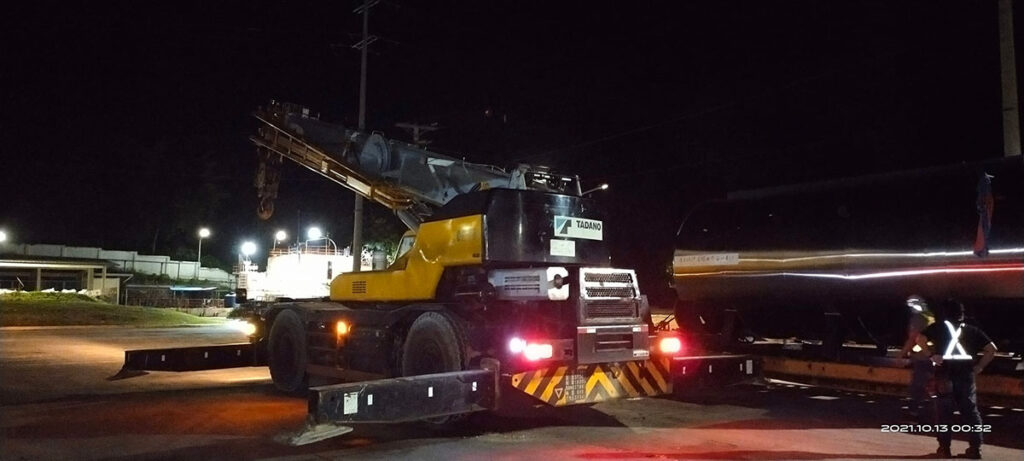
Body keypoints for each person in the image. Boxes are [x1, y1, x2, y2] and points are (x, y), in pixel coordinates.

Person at [917, 298, 997, 459]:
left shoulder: (938, 327)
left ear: (945, 313)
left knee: (944, 412)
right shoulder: (972, 330)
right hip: (966, 375)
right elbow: (992, 349)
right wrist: (979, 366)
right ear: (962, 314)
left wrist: (931, 355)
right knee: (971, 412)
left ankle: (944, 449)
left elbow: (919, 340)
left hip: (944, 374)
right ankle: (975, 449)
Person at [898, 295, 934, 421]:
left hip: (922, 357)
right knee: (929, 384)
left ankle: (913, 413)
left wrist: (902, 353)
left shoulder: (918, 318)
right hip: (931, 355)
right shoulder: (930, 316)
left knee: (917, 386)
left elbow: (913, 338)